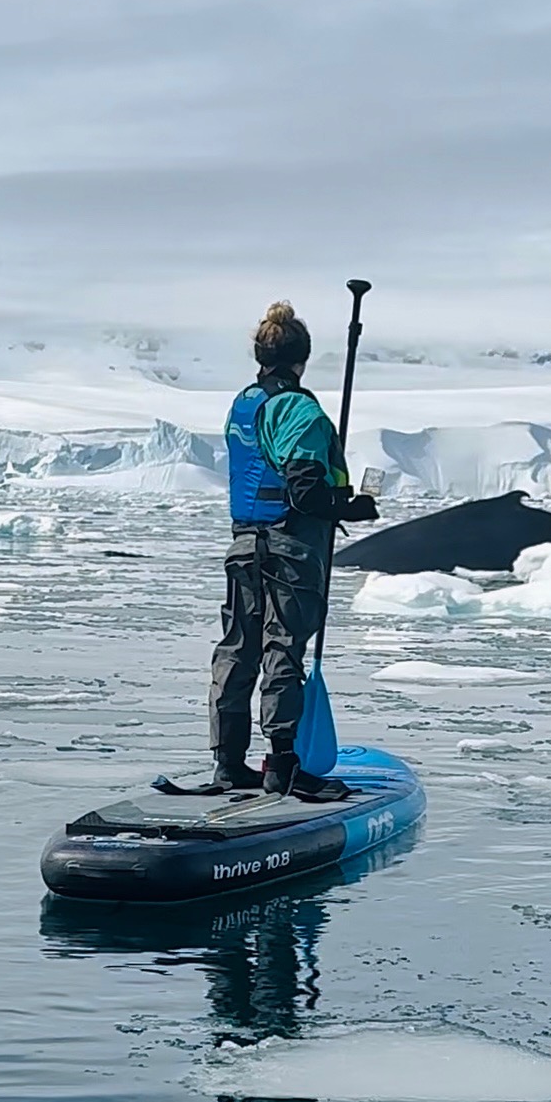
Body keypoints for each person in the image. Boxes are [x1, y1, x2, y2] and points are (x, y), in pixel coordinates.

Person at [208, 301, 378, 796]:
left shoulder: (244, 403)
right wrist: (351, 507)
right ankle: (283, 765)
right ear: (302, 358)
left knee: (239, 648)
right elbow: (304, 491)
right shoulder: (299, 410)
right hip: (288, 549)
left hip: (244, 544)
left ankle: (228, 763)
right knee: (282, 648)